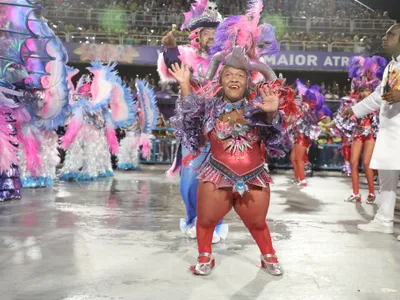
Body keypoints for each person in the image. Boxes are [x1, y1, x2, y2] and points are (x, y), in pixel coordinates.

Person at [169, 0, 296, 276]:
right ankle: (205, 257)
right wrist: (185, 85)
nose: (234, 79)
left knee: (258, 224)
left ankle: (268, 256)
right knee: (205, 221)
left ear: (248, 80)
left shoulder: (258, 107)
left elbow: (278, 143)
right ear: (221, 79)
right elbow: (189, 121)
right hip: (216, 174)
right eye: (229, 74)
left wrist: (273, 115)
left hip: (253, 176)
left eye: (240, 75)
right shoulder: (208, 105)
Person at [158, 1, 227, 242]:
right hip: (192, 128)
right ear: (197, 36)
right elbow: (172, 65)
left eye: (215, 33)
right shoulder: (187, 57)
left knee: (218, 179)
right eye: (206, 33)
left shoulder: (228, 61)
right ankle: (191, 218)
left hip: (221, 128)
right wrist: (169, 48)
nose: (211, 37)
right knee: (189, 179)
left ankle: (215, 225)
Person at [344, 24, 400, 240]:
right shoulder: (390, 67)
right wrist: (354, 110)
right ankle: (383, 220)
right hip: (390, 131)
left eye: (391, 34)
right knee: (387, 177)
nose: (385, 37)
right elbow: (379, 96)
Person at [336, 56, 386, 203]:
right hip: (357, 134)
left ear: (372, 91)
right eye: (362, 90)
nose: (364, 93)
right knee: (353, 162)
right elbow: (344, 118)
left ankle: (371, 193)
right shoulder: (355, 104)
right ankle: (356, 193)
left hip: (370, 134)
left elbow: (379, 120)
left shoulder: (373, 105)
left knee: (366, 163)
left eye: (367, 90)